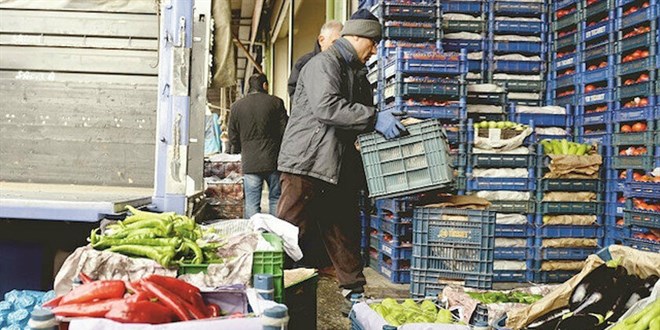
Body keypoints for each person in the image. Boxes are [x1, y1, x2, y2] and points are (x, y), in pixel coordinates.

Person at [277, 9, 406, 311]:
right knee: (286, 231)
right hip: (306, 164)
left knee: (341, 228)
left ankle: (355, 292)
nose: (374, 51)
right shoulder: (324, 64)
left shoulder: (355, 73)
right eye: (372, 43)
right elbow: (328, 107)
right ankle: (260, 286)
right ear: (358, 36)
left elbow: (353, 118)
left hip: (333, 165)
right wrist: (374, 119)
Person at [228, 73, 288, 218]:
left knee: (252, 203)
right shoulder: (276, 102)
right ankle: (275, 233)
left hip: (250, 161)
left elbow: (233, 136)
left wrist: (237, 149)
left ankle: (254, 235)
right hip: (273, 160)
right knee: (275, 198)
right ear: (265, 85)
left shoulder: (237, 107)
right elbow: (285, 129)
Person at [287, 20, 343, 97]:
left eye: (342, 43)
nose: (339, 47)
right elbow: (294, 91)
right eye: (335, 42)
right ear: (321, 40)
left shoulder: (345, 63)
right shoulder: (304, 63)